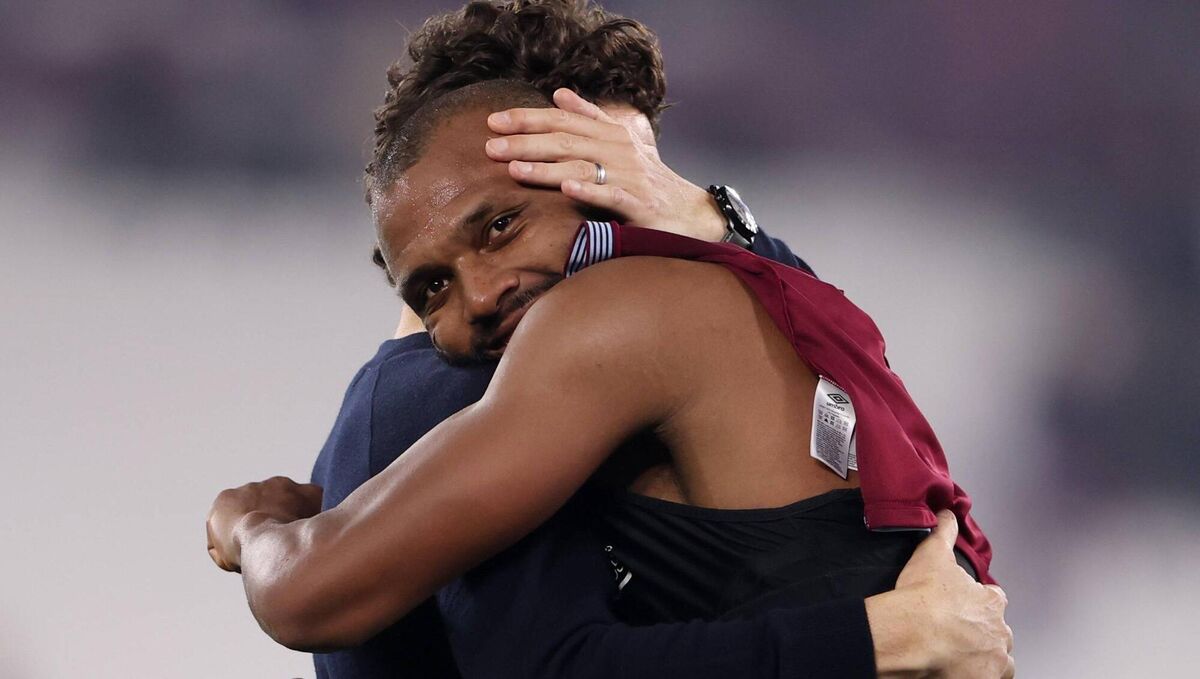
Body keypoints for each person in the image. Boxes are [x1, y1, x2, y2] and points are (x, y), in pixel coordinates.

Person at [209, 2, 1012, 677]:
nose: (483, 297)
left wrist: (249, 523)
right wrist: (888, 635)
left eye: (643, 173)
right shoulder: (526, 353)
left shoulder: (666, 307)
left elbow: (319, 590)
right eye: (434, 282)